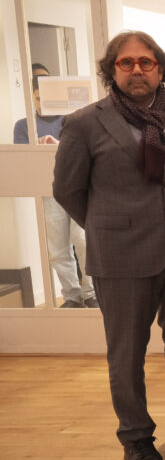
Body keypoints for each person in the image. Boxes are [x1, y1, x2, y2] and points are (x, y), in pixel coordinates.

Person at [52, 31, 165, 460]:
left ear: (161, 69)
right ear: (112, 70)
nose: (137, 70)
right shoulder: (84, 123)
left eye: (146, 63)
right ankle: (136, 436)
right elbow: (68, 190)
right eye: (126, 63)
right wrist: (110, 225)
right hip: (120, 256)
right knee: (126, 352)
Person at [15, 74, 96, 309]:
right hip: (48, 193)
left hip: (79, 189)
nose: (41, 103)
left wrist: (58, 146)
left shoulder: (74, 120)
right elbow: (21, 159)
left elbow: (85, 152)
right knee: (57, 248)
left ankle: (90, 292)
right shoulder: (24, 125)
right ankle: (71, 296)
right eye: (37, 98)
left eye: (45, 97)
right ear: (32, 98)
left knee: (83, 241)